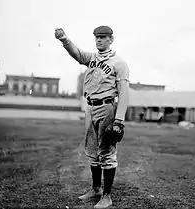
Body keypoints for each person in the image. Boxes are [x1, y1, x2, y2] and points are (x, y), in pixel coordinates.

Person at [55, 25, 129, 209]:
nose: (99, 40)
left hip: (106, 107)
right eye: (97, 37)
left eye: (103, 37)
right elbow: (77, 53)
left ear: (111, 39)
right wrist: (64, 39)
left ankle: (107, 196)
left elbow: (124, 93)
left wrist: (119, 120)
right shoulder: (92, 58)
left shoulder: (119, 63)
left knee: (107, 152)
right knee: (92, 150)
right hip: (91, 107)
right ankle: (96, 189)